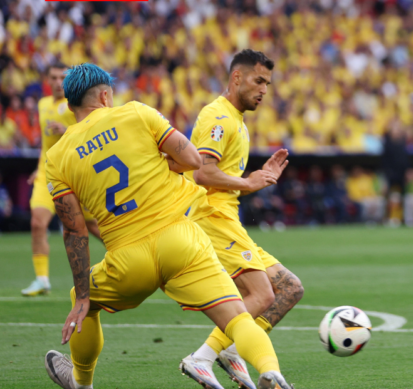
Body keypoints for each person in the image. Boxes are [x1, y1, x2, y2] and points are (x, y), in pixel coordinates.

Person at [43, 63, 293, 389]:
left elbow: (74, 231)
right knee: (237, 318)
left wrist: (82, 296)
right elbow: (193, 161)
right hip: (181, 241)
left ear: (70, 103)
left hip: (127, 258)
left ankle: (81, 382)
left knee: (84, 299)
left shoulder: (57, 156)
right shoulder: (136, 113)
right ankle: (271, 372)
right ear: (105, 95)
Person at [181, 50, 304, 389]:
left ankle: (231, 349)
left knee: (289, 289)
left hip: (227, 218)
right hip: (211, 217)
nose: (264, 89)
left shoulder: (236, 119)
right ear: (237, 78)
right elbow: (203, 173)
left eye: (268, 83)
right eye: (258, 80)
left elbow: (221, 177)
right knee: (263, 295)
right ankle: (202, 358)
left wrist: (253, 181)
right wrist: (249, 182)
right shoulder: (218, 117)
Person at [22, 63, 101, 297]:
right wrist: (39, 167)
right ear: (47, 79)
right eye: (54, 78)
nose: (58, 82)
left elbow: (92, 132)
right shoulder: (43, 104)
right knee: (37, 223)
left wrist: (66, 128)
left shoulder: (78, 103)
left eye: (62, 78)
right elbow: (46, 145)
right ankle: (42, 279)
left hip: (76, 173)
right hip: (47, 172)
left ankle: (131, 264)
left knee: (94, 226)